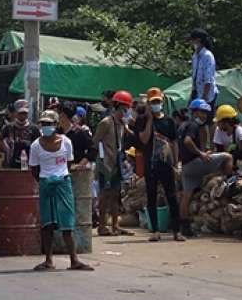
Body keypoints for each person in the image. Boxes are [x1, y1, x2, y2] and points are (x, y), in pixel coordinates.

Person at [29, 110, 93, 272]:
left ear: (56, 125)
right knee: (47, 224)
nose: (46, 127)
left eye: (49, 124)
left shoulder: (66, 142)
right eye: (43, 124)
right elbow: (34, 169)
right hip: (46, 183)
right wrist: (46, 180)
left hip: (63, 183)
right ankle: (49, 260)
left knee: (67, 224)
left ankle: (74, 260)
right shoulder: (36, 146)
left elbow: (68, 163)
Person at [132, 88, 182, 242]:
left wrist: (176, 163)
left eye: (158, 102)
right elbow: (144, 139)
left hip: (166, 164)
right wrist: (149, 120)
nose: (156, 104)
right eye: (153, 102)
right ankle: (154, 231)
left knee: (171, 197)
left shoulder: (169, 121)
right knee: (151, 197)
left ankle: (177, 231)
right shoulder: (141, 120)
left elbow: (174, 143)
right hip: (150, 164)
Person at [178, 99, 233, 237]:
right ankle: (230, 182)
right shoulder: (193, 125)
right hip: (194, 163)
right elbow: (187, 141)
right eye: (201, 112)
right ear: (194, 112)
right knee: (227, 156)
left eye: (205, 113)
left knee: (186, 196)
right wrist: (201, 154)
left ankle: (184, 227)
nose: (203, 116)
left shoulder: (182, 125)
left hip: (186, 165)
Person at [93, 90, 134, 236]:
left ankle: (115, 225)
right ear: (117, 106)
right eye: (125, 107)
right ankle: (102, 225)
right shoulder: (106, 123)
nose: (127, 111)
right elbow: (95, 142)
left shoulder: (122, 124)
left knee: (116, 194)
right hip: (106, 163)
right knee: (104, 195)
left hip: (117, 161)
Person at [0, 100, 39, 168]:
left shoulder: (34, 129)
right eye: (20, 113)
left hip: (29, 163)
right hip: (12, 164)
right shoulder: (9, 127)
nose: (22, 115)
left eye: (24, 113)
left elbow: (39, 144)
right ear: (15, 112)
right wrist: (6, 149)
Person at [188, 29, 218, 104]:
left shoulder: (207, 55)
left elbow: (208, 79)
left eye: (192, 40)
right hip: (197, 94)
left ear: (198, 40)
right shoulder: (195, 56)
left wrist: (204, 98)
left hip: (207, 96)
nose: (191, 42)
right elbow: (195, 77)